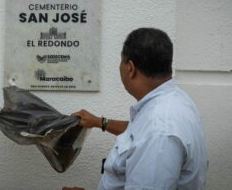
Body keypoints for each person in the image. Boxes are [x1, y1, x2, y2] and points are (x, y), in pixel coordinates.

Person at [63, 28, 208, 190]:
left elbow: (150, 136)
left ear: (130, 68)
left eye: (120, 62)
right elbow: (138, 133)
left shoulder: (159, 131)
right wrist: (99, 122)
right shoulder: (173, 100)